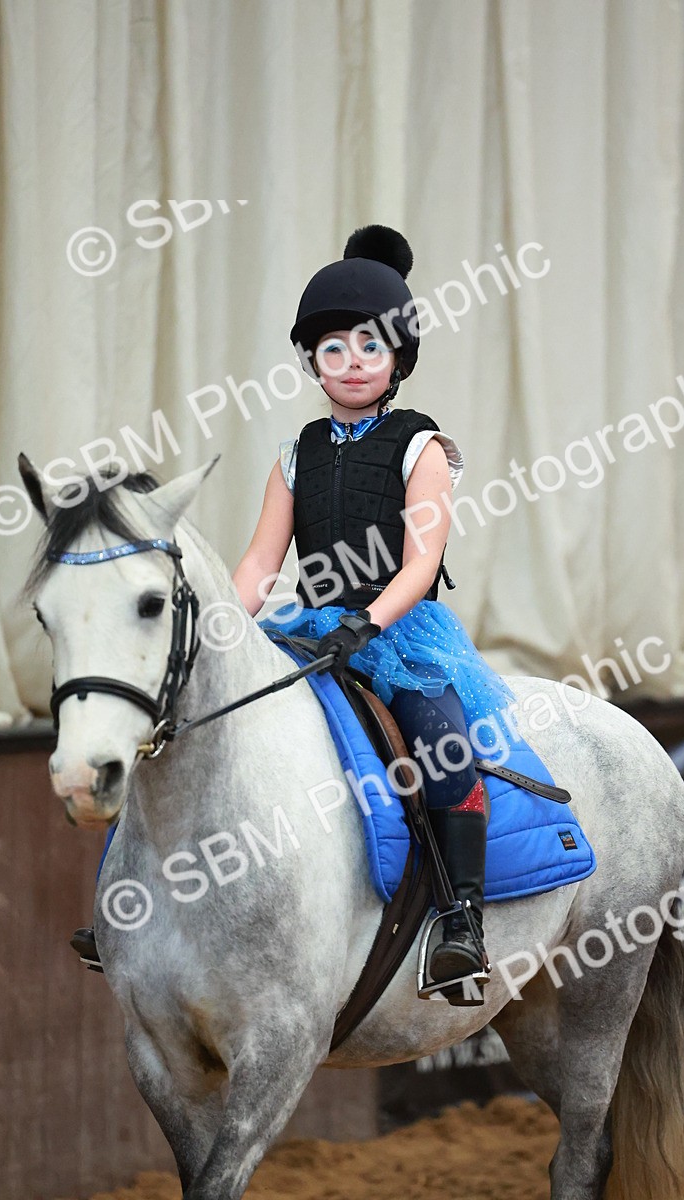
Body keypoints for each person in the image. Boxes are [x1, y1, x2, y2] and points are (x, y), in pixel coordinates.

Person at [238, 224, 517, 988]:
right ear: (313, 362)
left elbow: (421, 562)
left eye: (368, 347)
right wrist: (226, 628)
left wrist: (368, 623)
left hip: (398, 629)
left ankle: (462, 920)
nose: (351, 362)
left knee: (441, 743)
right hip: (311, 628)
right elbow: (264, 561)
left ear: (397, 360)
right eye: (333, 349)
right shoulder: (295, 451)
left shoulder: (419, 446)